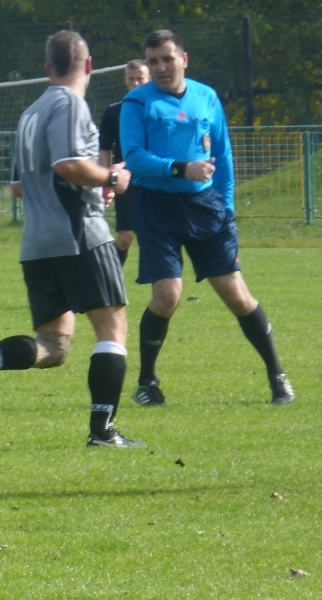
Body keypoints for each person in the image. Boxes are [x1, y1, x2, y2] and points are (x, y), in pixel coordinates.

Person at [0, 30, 144, 448]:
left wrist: (92, 184)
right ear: (88, 66)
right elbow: (69, 164)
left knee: (54, 346)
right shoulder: (69, 103)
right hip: (78, 235)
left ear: (46, 68)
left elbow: (20, 186)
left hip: (37, 243)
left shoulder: (29, 112)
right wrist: (110, 176)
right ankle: (103, 432)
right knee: (113, 328)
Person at [120, 29, 293, 406]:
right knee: (167, 295)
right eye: (153, 61)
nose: (161, 67)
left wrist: (227, 207)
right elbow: (134, 158)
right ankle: (147, 382)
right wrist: (183, 169)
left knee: (237, 295)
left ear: (184, 58)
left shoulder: (207, 97)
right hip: (155, 207)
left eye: (167, 59)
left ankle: (278, 376)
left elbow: (225, 158)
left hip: (205, 207)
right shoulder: (136, 103)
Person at [97, 59, 150, 265]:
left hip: (153, 178)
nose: (136, 83)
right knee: (125, 236)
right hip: (124, 181)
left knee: (155, 236)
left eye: (140, 79)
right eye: (132, 79)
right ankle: (110, 275)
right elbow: (105, 148)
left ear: (149, 79)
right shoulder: (114, 112)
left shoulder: (158, 109)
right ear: (125, 81)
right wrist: (105, 181)